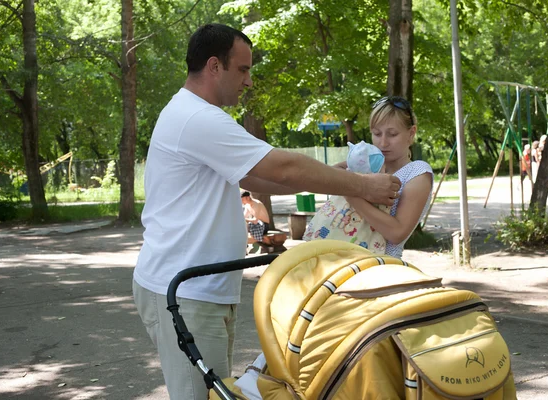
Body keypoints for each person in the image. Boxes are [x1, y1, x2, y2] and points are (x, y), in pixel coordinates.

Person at [131, 23, 400, 400]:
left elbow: (267, 179)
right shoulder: (197, 118)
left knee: (216, 392)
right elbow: (281, 167)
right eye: (242, 70)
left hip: (200, 288)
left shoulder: (196, 114)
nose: (249, 81)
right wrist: (364, 186)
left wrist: (334, 177)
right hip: (185, 291)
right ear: (214, 67)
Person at [336, 96, 433, 259]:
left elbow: (397, 233)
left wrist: (350, 191)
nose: (383, 143)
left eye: (392, 134)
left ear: (411, 133)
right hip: (342, 260)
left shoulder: (418, 173)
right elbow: (326, 176)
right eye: (376, 133)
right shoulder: (368, 164)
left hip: (381, 266)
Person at [303, 141, 390, 254]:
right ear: (376, 173)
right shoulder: (374, 192)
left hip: (323, 239)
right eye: (383, 168)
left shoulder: (343, 184)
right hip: (352, 248)